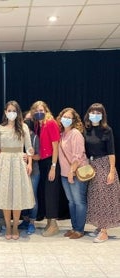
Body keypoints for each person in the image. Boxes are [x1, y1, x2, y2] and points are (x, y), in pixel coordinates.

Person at [0, 100, 35, 240]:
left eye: (14, 111)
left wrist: (30, 163)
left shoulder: (24, 127)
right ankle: (8, 226)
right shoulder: (0, 128)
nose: (11, 113)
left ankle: (15, 226)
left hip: (18, 163)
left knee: (17, 196)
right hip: (4, 161)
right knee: (5, 196)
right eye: (9, 110)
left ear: (18, 112)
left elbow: (29, 148)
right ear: (5, 112)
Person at [83, 103, 120, 243]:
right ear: (88, 114)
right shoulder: (86, 129)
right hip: (92, 167)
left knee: (105, 198)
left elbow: (111, 152)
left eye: (98, 113)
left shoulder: (107, 130)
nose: (95, 115)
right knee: (95, 198)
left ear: (102, 115)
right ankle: (99, 227)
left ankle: (104, 231)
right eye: (93, 112)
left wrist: (111, 171)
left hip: (104, 164)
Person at [30, 101, 61, 237]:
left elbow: (56, 147)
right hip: (41, 163)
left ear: (46, 110)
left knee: (51, 193)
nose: (39, 112)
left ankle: (54, 224)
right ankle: (49, 222)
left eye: (41, 109)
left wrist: (53, 167)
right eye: (36, 110)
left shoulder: (51, 123)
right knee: (45, 194)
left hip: (50, 162)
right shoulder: (38, 125)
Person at [57, 107, 88, 239]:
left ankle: (80, 230)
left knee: (79, 201)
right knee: (71, 202)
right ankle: (74, 227)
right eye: (64, 116)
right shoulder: (62, 134)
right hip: (65, 173)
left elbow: (78, 155)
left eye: (69, 117)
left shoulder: (75, 133)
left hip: (76, 172)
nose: (66, 119)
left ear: (74, 120)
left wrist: (71, 171)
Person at [18, 111, 40, 235]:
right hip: (19, 171)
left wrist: (29, 157)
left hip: (33, 171)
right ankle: (25, 220)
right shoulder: (17, 135)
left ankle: (32, 222)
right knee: (22, 196)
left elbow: (39, 155)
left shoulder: (35, 137)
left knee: (32, 197)